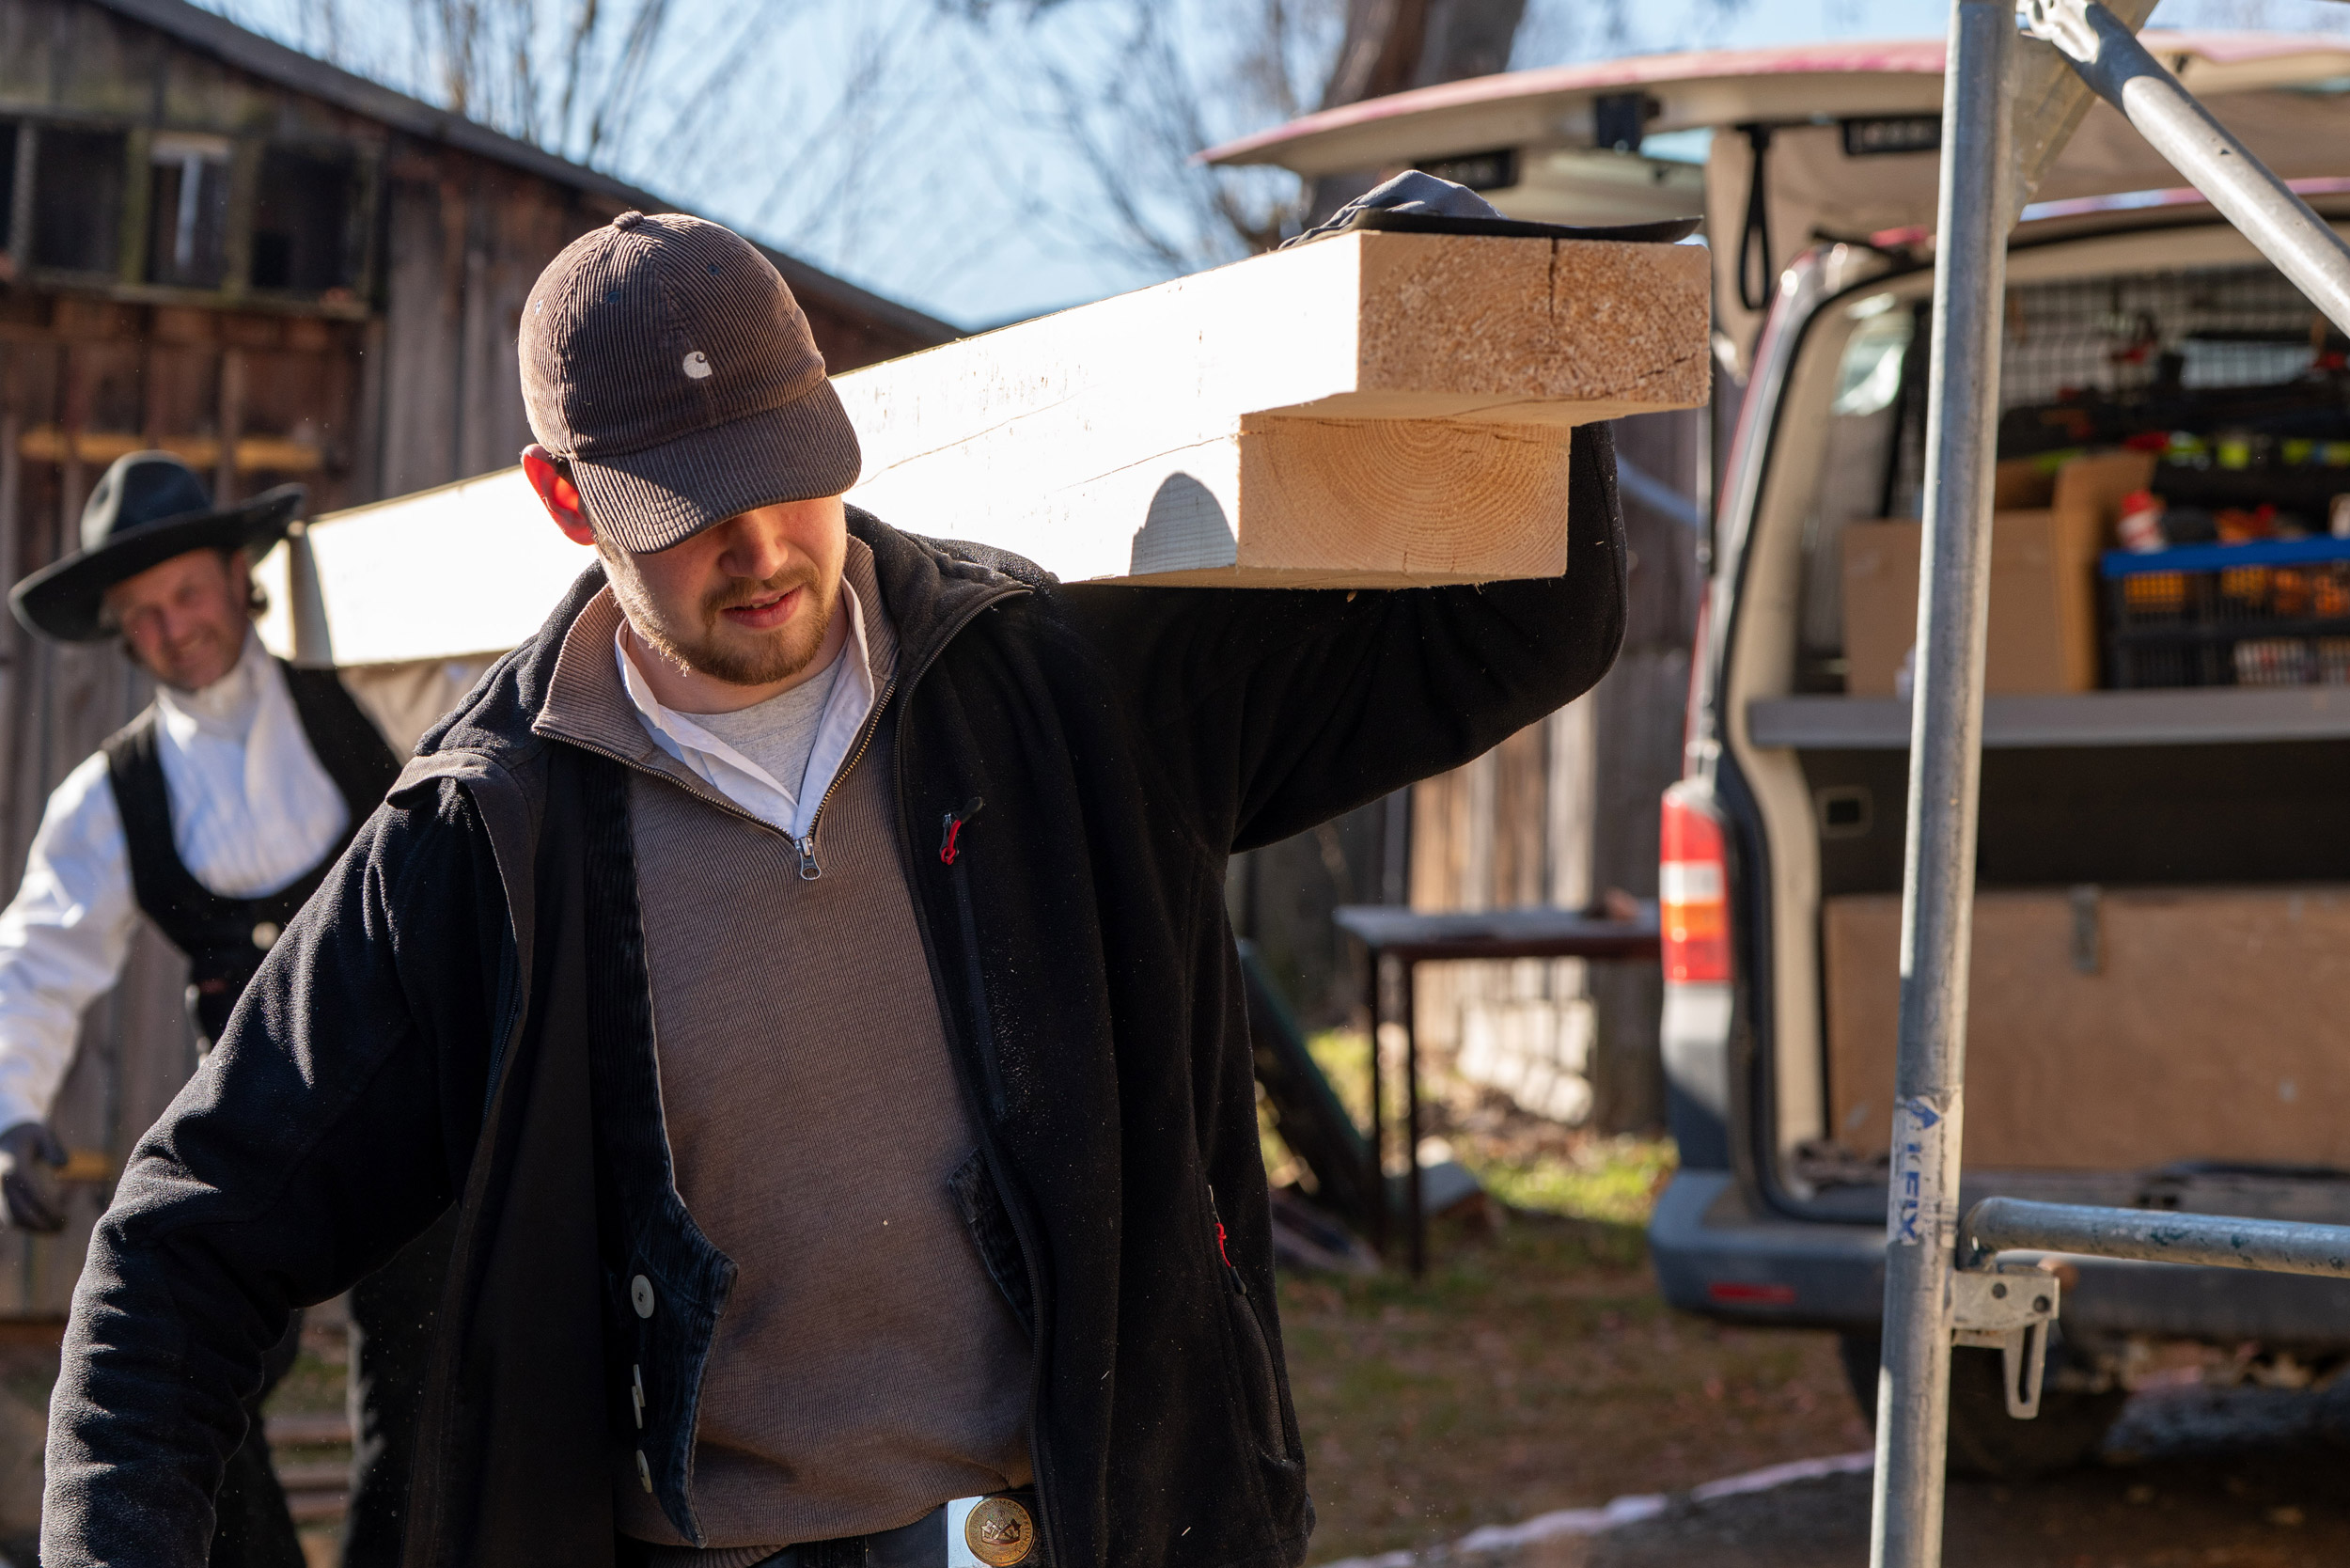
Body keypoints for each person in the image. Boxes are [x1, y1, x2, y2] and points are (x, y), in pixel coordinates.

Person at [39, 207, 1627, 1568]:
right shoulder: (482, 846)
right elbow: (180, 1255)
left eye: (785, 471)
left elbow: (1521, 633)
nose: (762, 549)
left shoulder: (1065, 697)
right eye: (688, 513)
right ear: (564, 499)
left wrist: (1502, 326)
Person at [2, 455, 447, 1567]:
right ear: (123, 633)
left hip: (408, 1093)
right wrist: (9, 1109)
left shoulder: (366, 698)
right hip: (253, 1115)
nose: (173, 627)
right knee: (200, 1355)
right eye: (142, 613)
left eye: (188, 593)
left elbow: (496, 743)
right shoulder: (113, 794)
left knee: (423, 1366)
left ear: (237, 581)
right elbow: (38, 955)